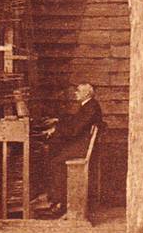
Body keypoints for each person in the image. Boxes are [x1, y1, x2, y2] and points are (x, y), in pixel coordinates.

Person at [37, 83, 102, 217]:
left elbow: (74, 130)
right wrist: (58, 121)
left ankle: (59, 204)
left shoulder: (91, 107)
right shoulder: (88, 106)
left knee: (56, 162)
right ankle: (55, 199)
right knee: (54, 154)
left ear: (87, 93)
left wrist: (55, 130)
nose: (75, 93)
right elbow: (75, 121)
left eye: (78, 91)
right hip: (80, 144)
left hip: (82, 148)